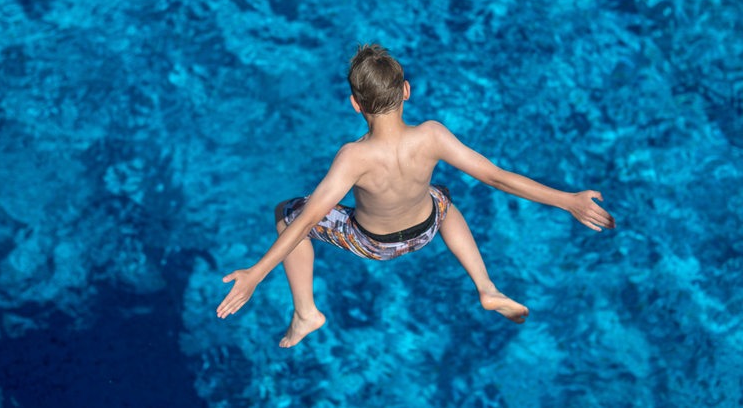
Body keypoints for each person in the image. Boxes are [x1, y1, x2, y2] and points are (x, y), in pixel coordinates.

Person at [216, 44, 615, 348]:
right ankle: (486, 286)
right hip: (427, 228)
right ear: (406, 90)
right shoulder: (432, 136)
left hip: (374, 244)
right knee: (442, 197)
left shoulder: (353, 158)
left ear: (356, 105)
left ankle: (306, 313)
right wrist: (568, 200)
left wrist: (256, 273)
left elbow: (306, 221)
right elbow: (498, 178)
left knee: (287, 213)